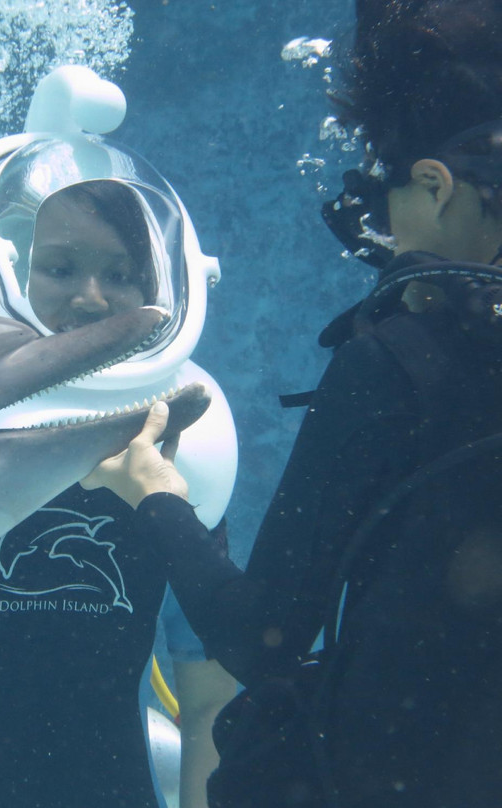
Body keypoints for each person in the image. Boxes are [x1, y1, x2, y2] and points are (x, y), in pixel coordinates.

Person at [82, 2, 502, 806]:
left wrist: (153, 491)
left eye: (389, 211)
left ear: (437, 185)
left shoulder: (393, 362)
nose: (385, 247)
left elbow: (261, 639)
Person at [0, 66, 240, 808]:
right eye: (59, 268)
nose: (91, 297)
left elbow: (211, 696)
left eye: (121, 274)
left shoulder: (180, 439)